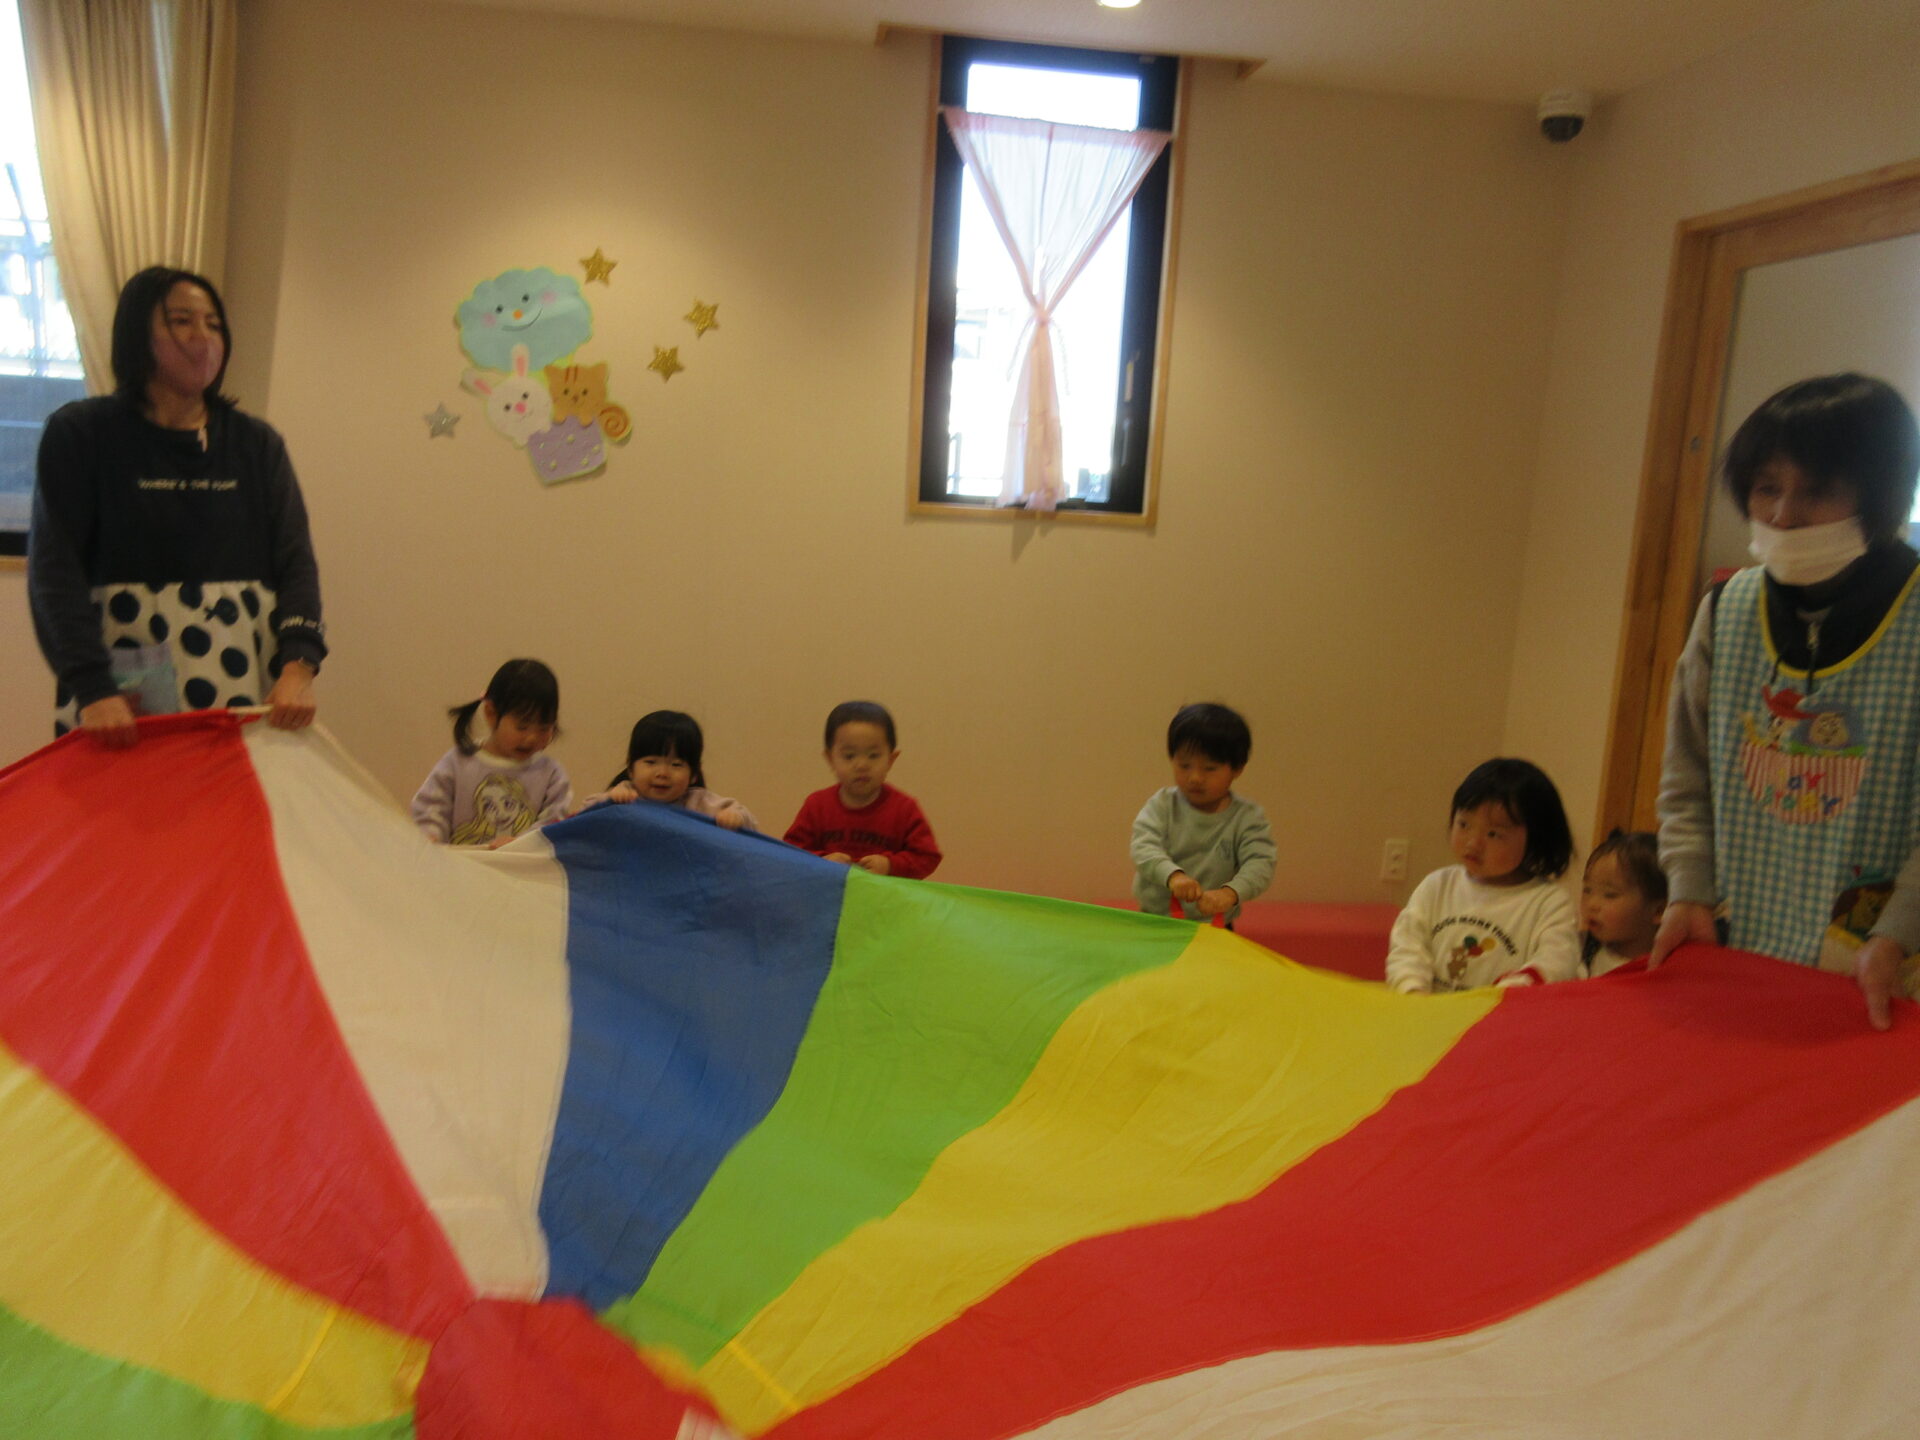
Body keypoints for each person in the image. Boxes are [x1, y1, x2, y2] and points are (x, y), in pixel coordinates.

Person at [1652, 374, 1920, 1030]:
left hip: (1883, 970)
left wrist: (1899, 933)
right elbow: (1686, 780)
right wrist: (1688, 890)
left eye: (1817, 491)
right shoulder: (1727, 610)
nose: (1782, 515)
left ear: (1879, 496)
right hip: (1738, 950)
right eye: (1766, 487)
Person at [28, 266, 325, 745]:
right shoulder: (81, 433)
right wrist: (92, 687)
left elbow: (296, 563)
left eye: (213, 324)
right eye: (182, 321)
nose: (203, 338)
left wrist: (299, 666)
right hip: (117, 689)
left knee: (235, 794)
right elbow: (54, 571)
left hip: (243, 675)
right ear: (137, 335)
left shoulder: (256, 443)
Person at [1386, 758, 1580, 994]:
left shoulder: (1548, 902)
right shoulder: (1437, 886)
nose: (1473, 843)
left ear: (1536, 840)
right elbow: (1408, 947)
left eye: (1493, 834)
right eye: (1464, 824)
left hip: (1504, 1013)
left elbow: (1557, 962)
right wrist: (1412, 990)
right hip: (1429, 1010)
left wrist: (1506, 994)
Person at [1129, 703, 1274, 927]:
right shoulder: (1162, 805)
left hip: (1216, 923)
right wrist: (1173, 876)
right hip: (1156, 919)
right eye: (1184, 765)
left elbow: (1260, 864)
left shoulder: (1247, 818)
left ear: (1237, 769)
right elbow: (1143, 847)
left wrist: (1230, 893)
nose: (1195, 777)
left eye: (1210, 768)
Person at [411, 659, 571, 845]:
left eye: (544, 728)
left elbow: (554, 823)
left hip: (519, 863)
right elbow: (431, 808)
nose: (532, 738)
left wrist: (520, 844)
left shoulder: (551, 775)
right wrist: (431, 835)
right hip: (461, 862)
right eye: (522, 727)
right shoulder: (458, 762)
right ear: (491, 713)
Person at [784, 701, 940, 877]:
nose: (861, 765)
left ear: (891, 759)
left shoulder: (905, 809)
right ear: (830, 758)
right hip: (829, 893)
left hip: (883, 894)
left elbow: (928, 857)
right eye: (849, 756)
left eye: (873, 755)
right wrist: (822, 861)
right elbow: (789, 854)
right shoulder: (816, 806)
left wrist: (891, 865)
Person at [574, 710, 757, 830]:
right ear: (631, 769)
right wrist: (608, 801)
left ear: (694, 774)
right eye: (651, 762)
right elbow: (580, 820)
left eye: (676, 764)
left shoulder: (700, 803)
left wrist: (736, 817)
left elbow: (749, 825)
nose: (662, 773)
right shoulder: (624, 796)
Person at [1580, 830, 1667, 977]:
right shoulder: (1584, 950)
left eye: (1610, 895)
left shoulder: (1665, 968)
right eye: (1587, 890)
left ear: (1659, 911)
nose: (1592, 904)